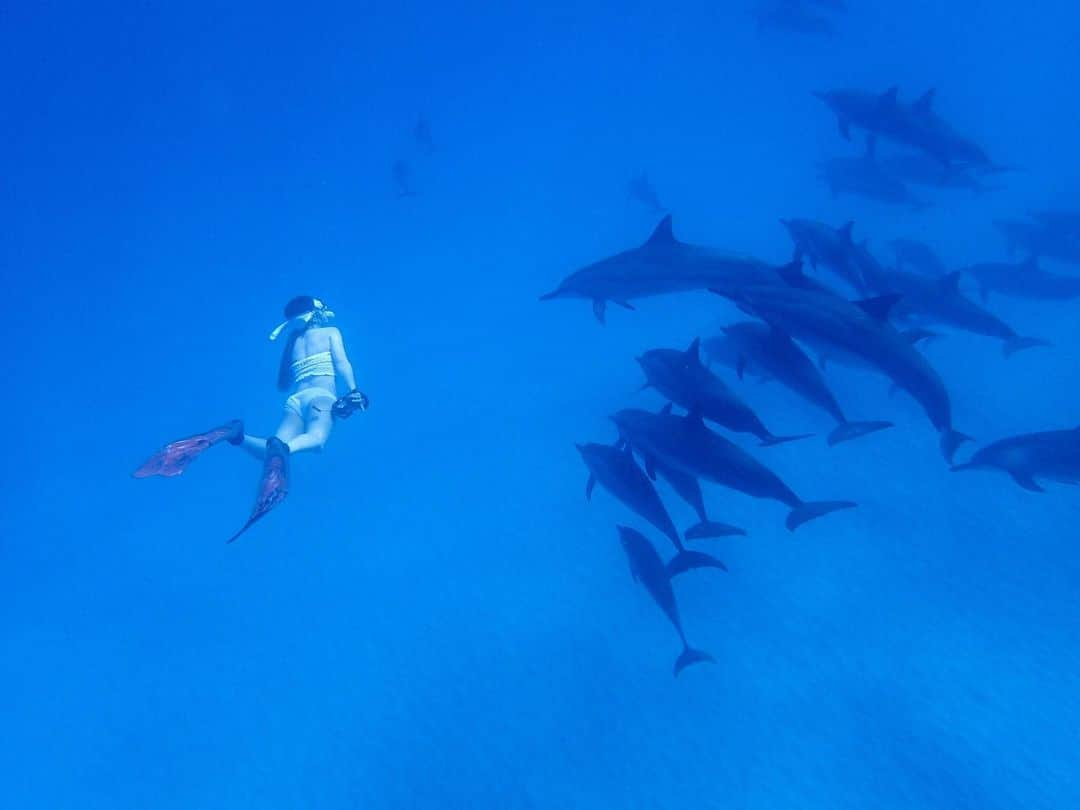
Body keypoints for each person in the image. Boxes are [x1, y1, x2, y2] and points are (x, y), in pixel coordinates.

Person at [134, 296, 368, 542]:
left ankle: (236, 436)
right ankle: (285, 446)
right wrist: (353, 391)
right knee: (317, 440)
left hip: (295, 400)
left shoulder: (293, 342)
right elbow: (342, 362)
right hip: (322, 396)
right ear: (317, 313)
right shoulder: (331, 331)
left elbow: (282, 384)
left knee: (271, 452)